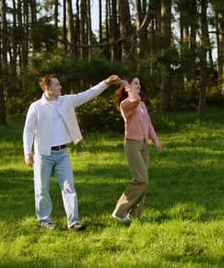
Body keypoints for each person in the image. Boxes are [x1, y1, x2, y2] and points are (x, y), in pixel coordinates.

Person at [23, 74, 120, 231]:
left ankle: (73, 222)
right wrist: (28, 153)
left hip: (62, 154)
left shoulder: (66, 101)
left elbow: (88, 94)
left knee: (69, 187)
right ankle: (45, 220)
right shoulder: (36, 107)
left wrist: (106, 83)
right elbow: (28, 131)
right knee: (41, 189)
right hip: (43, 154)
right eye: (57, 84)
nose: (60, 87)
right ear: (48, 88)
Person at [111, 76, 162, 225]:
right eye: (135, 83)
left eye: (139, 83)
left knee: (144, 181)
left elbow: (148, 123)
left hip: (143, 145)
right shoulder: (126, 104)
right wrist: (126, 84)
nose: (138, 86)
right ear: (127, 88)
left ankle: (134, 217)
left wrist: (155, 139)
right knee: (141, 180)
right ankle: (119, 212)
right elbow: (135, 99)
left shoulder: (142, 105)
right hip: (132, 144)